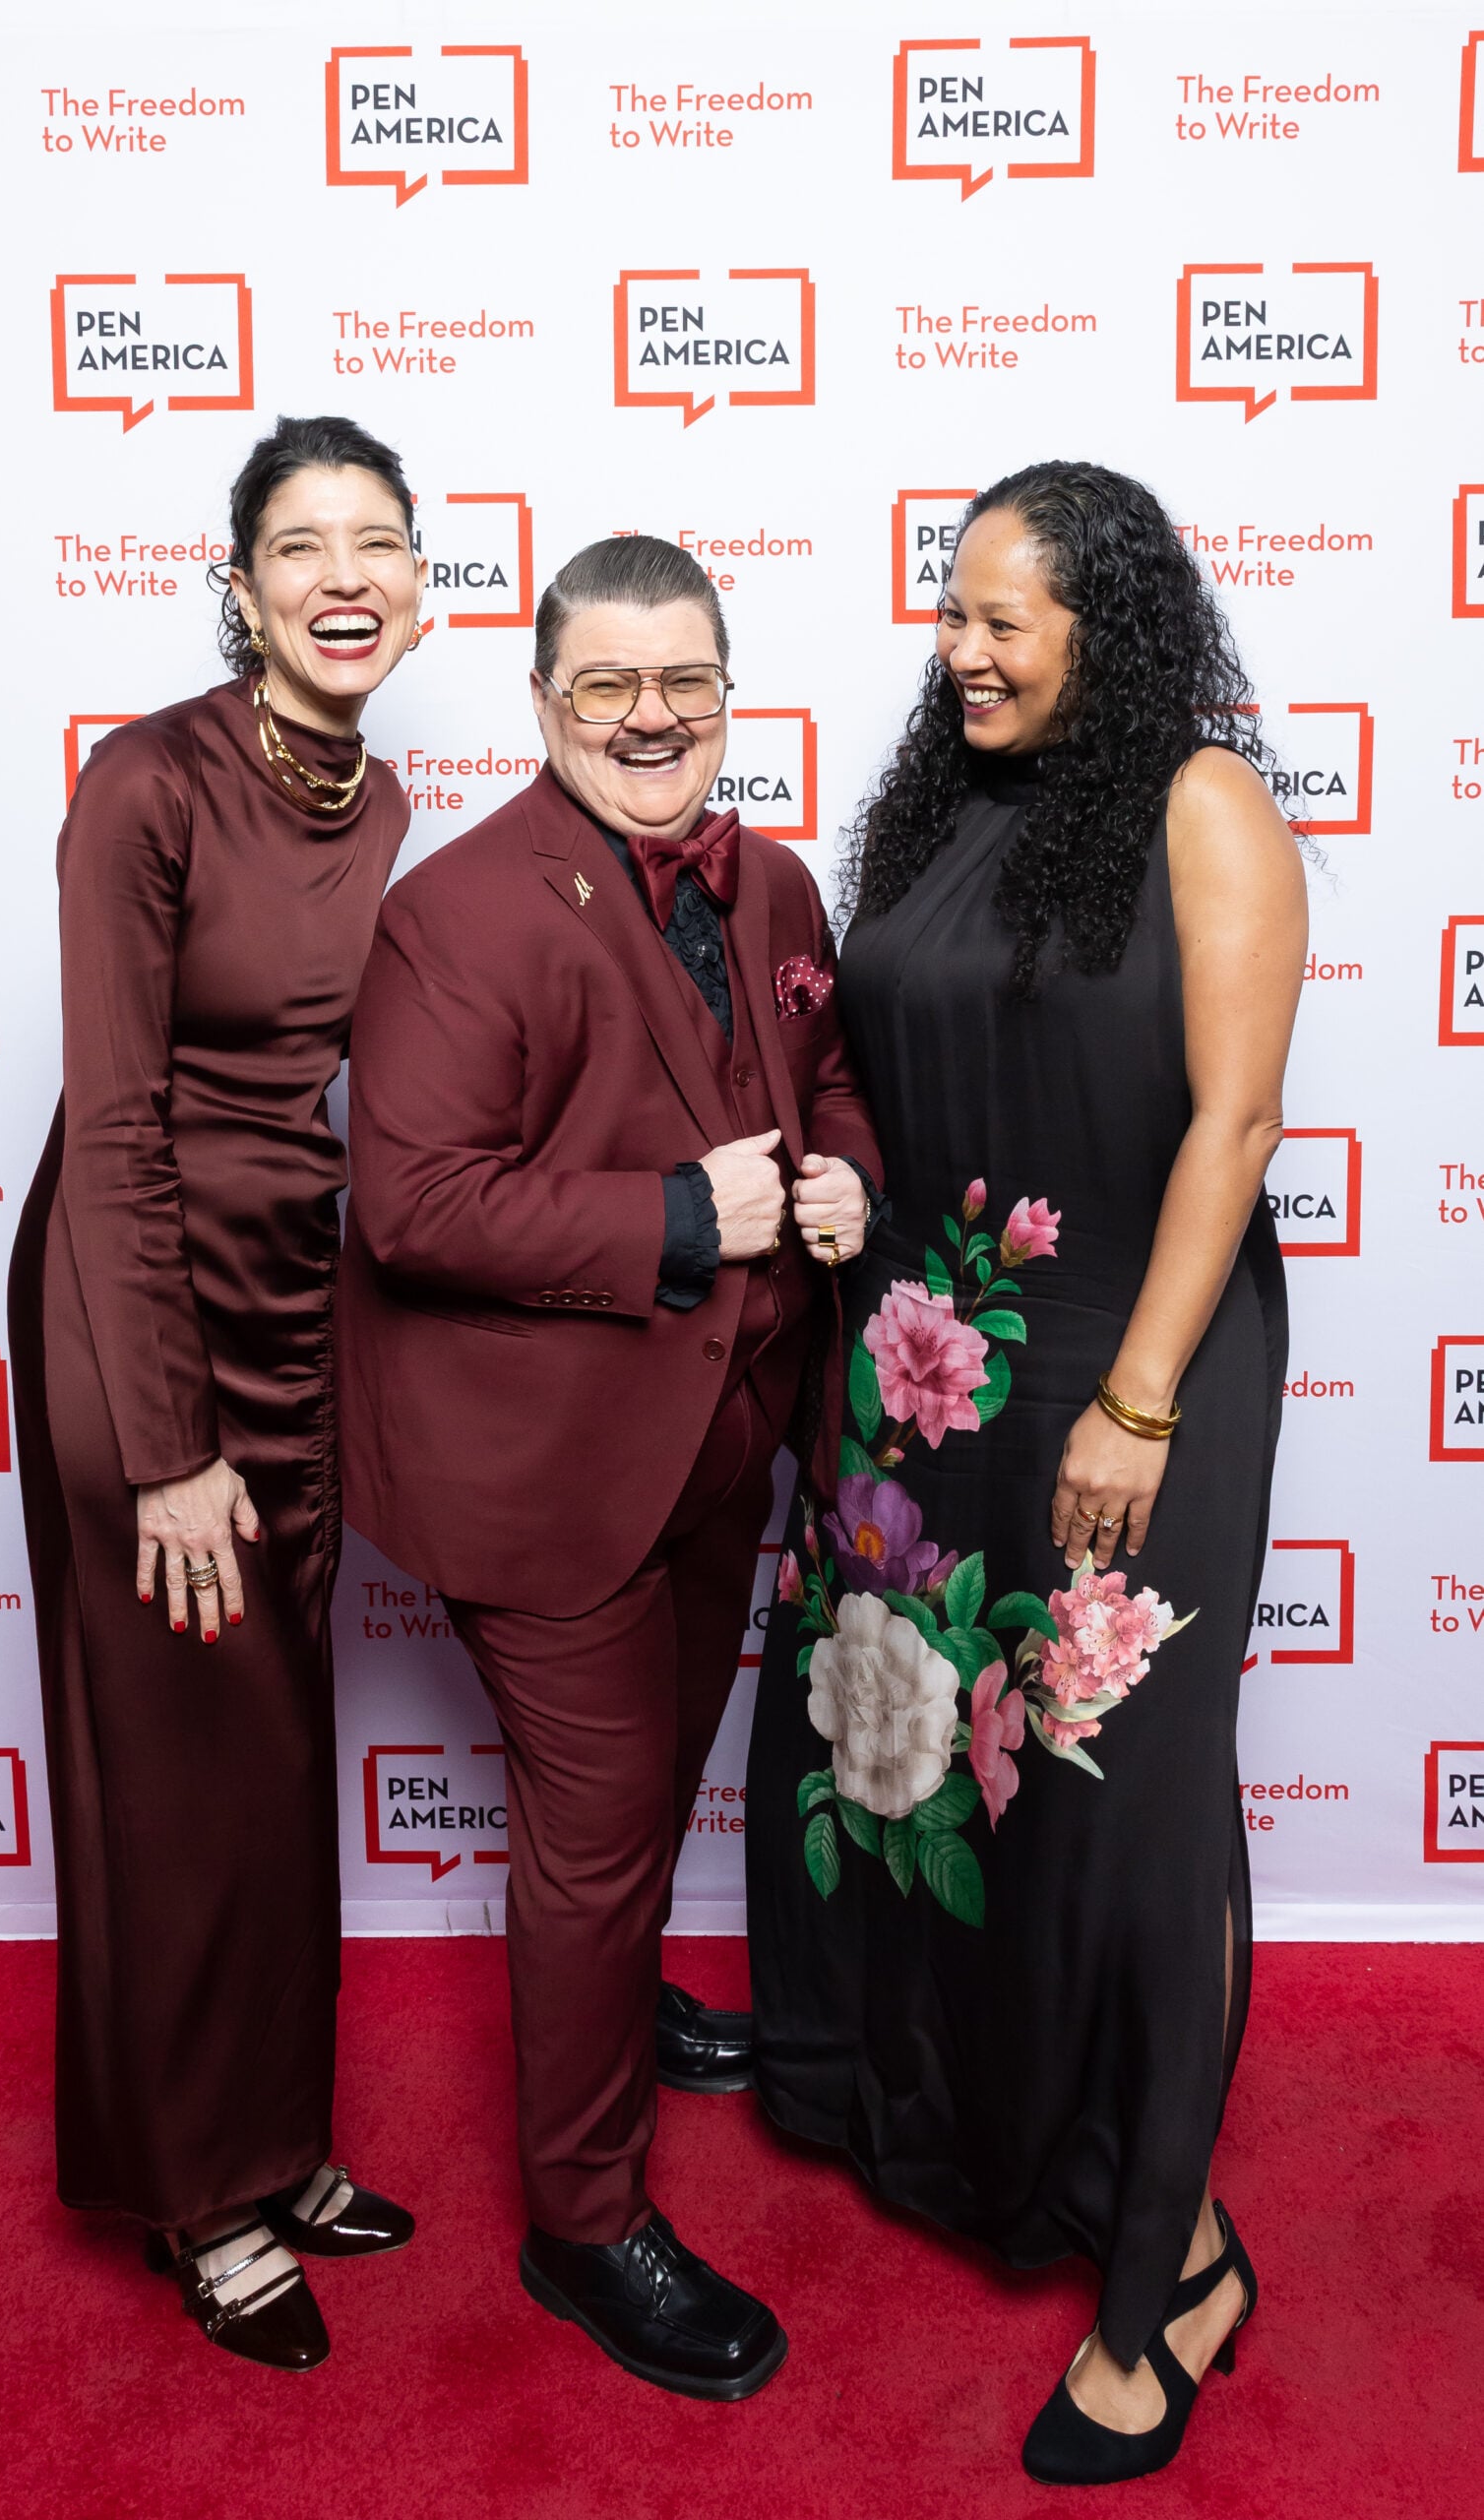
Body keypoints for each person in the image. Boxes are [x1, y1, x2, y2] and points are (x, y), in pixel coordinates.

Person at [745, 462, 1306, 2483]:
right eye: (950, 612)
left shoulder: (1199, 804)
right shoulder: (943, 804)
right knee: (956, 1777)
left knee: (1128, 1816)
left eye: (1003, 618)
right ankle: (1028, 2142)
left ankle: (1156, 2282)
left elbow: (1229, 1123)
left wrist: (1137, 1397)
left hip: (1125, 1365)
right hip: (931, 1366)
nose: (958, 649)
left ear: (1110, 621)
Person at [338, 534, 882, 2400]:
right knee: (585, 1839)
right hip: (545, 1469)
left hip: (728, 1438)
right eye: (608, 688)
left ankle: (620, 2001)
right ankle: (581, 2224)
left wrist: (845, 1182)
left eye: (687, 683)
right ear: (546, 699)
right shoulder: (456, 912)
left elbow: (833, 1089)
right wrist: (675, 1210)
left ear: (727, 684)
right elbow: (410, 1206)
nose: (653, 719)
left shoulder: (779, 884)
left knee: (658, 1773)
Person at [8, 414, 426, 2373]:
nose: (342, 578)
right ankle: (201, 2195)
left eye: (377, 545)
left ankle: (275, 2139)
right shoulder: (144, 783)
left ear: (417, 584)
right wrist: (167, 1443)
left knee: (270, 1752)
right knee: (181, 1761)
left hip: (293, 1303)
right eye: (299, 547)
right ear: (240, 581)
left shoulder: (389, 796)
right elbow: (113, 1126)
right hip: (131, 1303)